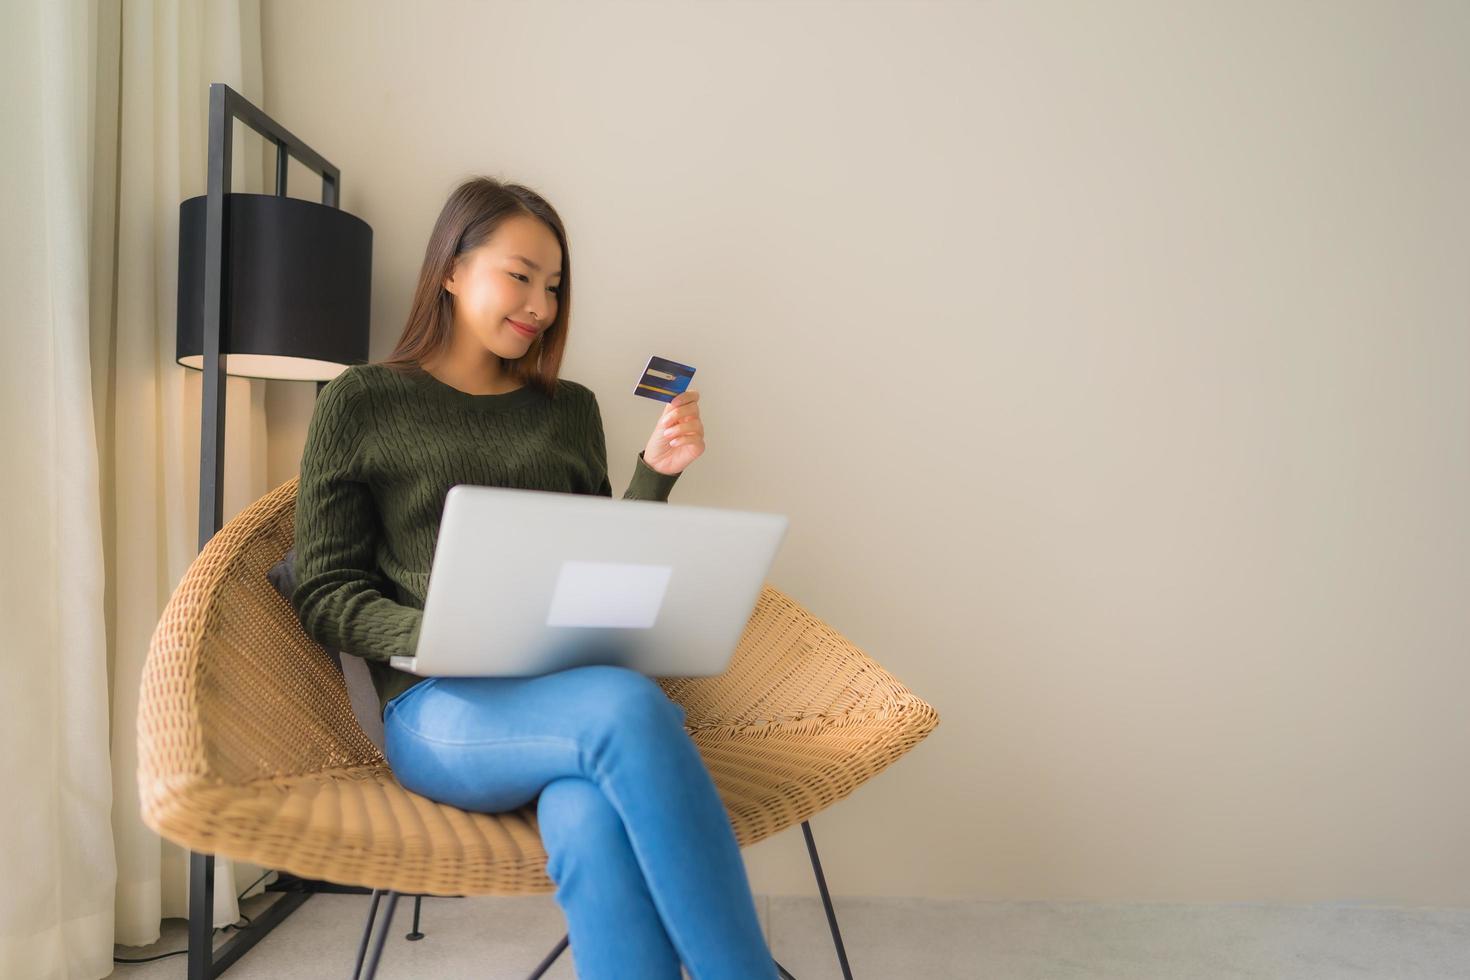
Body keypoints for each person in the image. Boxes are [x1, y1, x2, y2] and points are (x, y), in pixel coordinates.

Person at [290, 176, 775, 979]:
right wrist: (445, 631)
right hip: (438, 708)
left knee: (588, 818)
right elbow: (325, 592)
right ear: (451, 268)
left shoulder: (569, 409)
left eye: (554, 286)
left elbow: (604, 567)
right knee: (627, 706)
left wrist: (655, 477)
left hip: (565, 690)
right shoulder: (361, 400)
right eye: (521, 276)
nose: (541, 305)